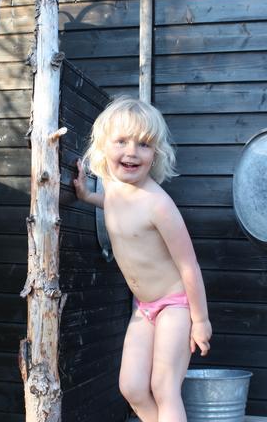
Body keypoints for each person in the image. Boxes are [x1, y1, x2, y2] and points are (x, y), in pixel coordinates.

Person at [73, 96, 212, 422]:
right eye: (121, 141)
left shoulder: (158, 205)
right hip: (144, 307)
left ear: (156, 154)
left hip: (176, 305)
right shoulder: (114, 189)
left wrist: (201, 320)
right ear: (103, 147)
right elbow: (114, 204)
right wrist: (87, 196)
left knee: (164, 387)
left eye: (144, 144)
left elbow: (189, 265)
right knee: (132, 387)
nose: (132, 152)